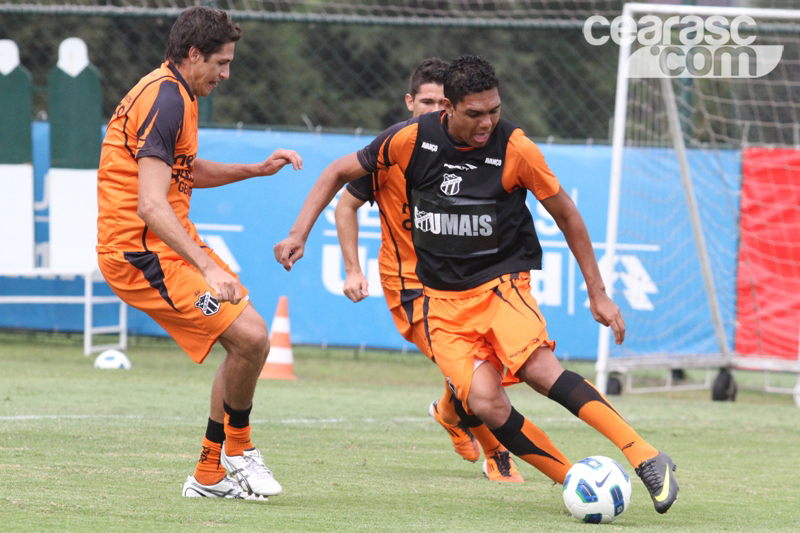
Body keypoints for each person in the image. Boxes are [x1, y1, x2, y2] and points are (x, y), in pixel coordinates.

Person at [275, 55, 679, 514]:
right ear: (446, 106)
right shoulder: (408, 141)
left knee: (539, 370)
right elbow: (336, 175)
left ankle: (645, 456)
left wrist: (598, 291)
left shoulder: (516, 148)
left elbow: (567, 214)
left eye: (495, 110)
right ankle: (577, 485)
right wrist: (298, 233)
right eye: (475, 113)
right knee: (486, 402)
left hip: (500, 283)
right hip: (438, 299)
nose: (487, 122)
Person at [97, 6, 302, 500]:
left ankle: (210, 474)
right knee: (252, 336)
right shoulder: (166, 100)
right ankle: (238, 447)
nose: (227, 74)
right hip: (141, 256)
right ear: (194, 55)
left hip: (166, 247)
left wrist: (253, 170)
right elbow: (149, 203)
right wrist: (208, 265)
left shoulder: (174, 92)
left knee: (245, 342)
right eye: (222, 63)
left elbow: (183, 172)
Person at [336, 58, 544, 482]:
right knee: (474, 377)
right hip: (411, 285)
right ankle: (496, 453)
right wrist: (352, 269)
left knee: (486, 367)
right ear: (410, 101)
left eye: (439, 102)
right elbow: (345, 202)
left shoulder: (465, 148)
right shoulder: (395, 148)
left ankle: (450, 412)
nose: (433, 110)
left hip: (465, 280)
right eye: (424, 101)